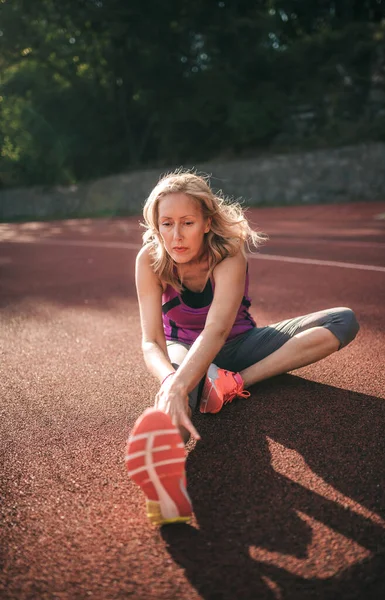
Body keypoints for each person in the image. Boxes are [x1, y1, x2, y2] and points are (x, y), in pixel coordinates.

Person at [125, 171, 359, 526]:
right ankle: (166, 478)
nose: (175, 235)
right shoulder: (150, 260)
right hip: (182, 349)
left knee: (342, 321)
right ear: (155, 225)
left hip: (239, 344)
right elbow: (152, 342)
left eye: (187, 222)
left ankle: (231, 384)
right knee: (178, 393)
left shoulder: (228, 253)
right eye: (166, 223)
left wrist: (211, 378)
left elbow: (217, 331)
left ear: (206, 222)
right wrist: (172, 382)